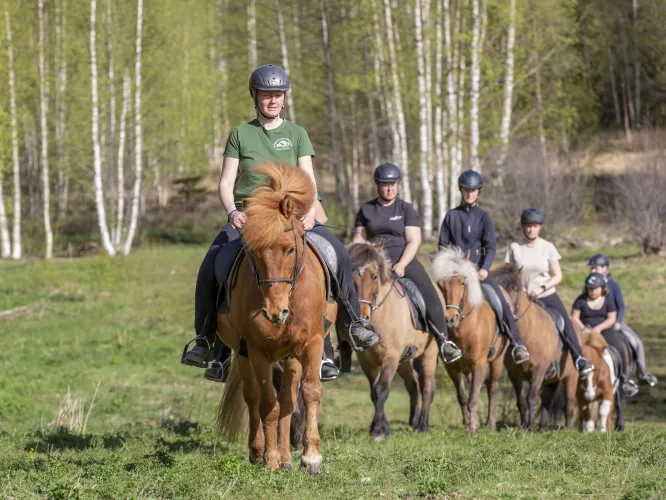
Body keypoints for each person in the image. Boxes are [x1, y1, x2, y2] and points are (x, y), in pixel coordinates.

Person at [181, 64, 379, 382]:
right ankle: (206, 343)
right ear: (255, 97)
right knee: (210, 267)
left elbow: (308, 179)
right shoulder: (240, 134)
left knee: (339, 254)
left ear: (283, 98)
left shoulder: (297, 134)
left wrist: (310, 211)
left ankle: (353, 324)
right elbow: (225, 182)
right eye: (266, 95)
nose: (272, 101)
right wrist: (233, 211)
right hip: (250, 216)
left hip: (291, 215)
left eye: (277, 95)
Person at [353, 163, 462, 363]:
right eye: (385, 184)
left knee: (430, 294)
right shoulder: (366, 209)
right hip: (374, 264)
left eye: (393, 184)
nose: (389, 188)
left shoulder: (405, 208)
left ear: (398, 185)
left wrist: (402, 264)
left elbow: (414, 240)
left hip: (402, 260)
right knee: (349, 292)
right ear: (377, 185)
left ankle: (444, 341)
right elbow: (359, 241)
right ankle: (342, 346)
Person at [437, 170, 530, 364]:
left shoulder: (484, 217)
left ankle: (517, 343)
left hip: (477, 272)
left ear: (478, 192)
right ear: (460, 191)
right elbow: (442, 245)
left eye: (473, 190)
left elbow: (491, 246)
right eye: (466, 190)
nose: (469, 193)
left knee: (499, 300)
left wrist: (485, 269)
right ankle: (438, 344)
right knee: (435, 300)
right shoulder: (451, 216)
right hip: (454, 275)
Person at [504, 208, 594, 374]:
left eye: (535, 226)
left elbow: (558, 275)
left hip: (545, 294)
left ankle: (578, 358)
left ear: (540, 227)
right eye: (528, 226)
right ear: (523, 227)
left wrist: (542, 287)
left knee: (565, 322)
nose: (531, 229)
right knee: (504, 319)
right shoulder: (515, 247)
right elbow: (509, 274)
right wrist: (519, 288)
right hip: (522, 296)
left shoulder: (547, 247)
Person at [588, 254, 658, 387]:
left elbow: (621, 307)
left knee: (637, 343)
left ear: (604, 268)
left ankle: (642, 373)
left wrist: (618, 322)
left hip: (613, 321)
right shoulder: (590, 283)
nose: (592, 271)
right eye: (591, 268)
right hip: (593, 323)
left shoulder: (613, 285)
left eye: (595, 268)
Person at [572, 273, 638, 396]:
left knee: (619, 347)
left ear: (602, 288)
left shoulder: (608, 301)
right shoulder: (580, 300)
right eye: (590, 289)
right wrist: (583, 328)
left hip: (604, 330)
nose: (592, 292)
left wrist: (598, 328)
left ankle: (623, 378)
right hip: (584, 331)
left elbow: (611, 318)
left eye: (595, 289)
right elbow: (574, 317)